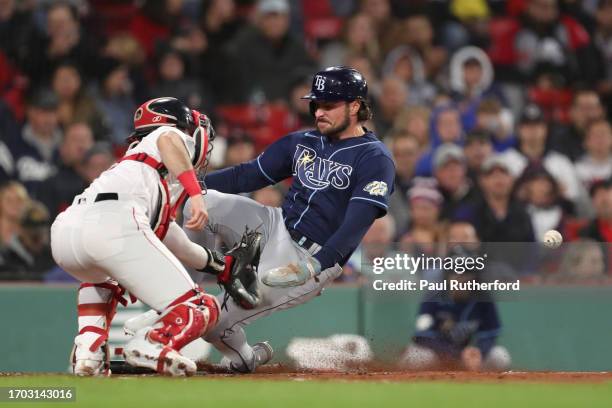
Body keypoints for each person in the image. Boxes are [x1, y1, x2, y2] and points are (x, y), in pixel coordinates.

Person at [183, 66, 395, 373]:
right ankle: (189, 288)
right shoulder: (303, 141)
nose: (319, 112)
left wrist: (315, 265)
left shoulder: (375, 158)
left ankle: (245, 357)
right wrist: (190, 184)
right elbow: (249, 174)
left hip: (310, 256)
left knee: (212, 323)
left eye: (329, 105)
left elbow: (357, 223)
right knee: (199, 203)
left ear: (356, 106)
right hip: (273, 224)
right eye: (316, 104)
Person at [49, 97, 259, 376]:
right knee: (200, 306)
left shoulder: (136, 169)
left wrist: (219, 265)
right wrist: (195, 194)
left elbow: (176, 241)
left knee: (101, 279)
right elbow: (168, 140)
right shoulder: (167, 135)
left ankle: (89, 348)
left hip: (66, 233)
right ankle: (152, 343)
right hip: (114, 224)